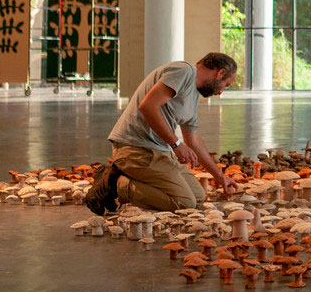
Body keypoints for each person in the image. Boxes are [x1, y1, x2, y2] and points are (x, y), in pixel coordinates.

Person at [84, 52, 240, 214]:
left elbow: (192, 139)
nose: (221, 92)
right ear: (220, 73)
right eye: (226, 85)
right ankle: (116, 184)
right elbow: (148, 106)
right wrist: (176, 144)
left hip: (160, 152)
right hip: (135, 148)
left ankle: (133, 180)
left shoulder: (193, 95)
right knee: (184, 202)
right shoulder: (183, 71)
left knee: (198, 196)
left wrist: (220, 177)